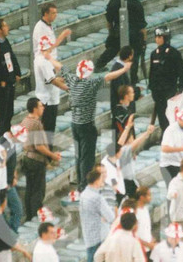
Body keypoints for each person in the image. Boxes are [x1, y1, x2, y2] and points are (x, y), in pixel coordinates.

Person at [54, 59, 130, 189]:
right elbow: (108, 76)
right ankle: (85, 186)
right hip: (87, 125)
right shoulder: (90, 83)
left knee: (79, 156)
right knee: (87, 159)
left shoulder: (72, 80)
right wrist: (123, 70)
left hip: (75, 124)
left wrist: (48, 57)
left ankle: (80, 184)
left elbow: (61, 67)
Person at [96, 0, 147, 84]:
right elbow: (142, 27)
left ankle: (99, 65)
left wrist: (111, 33)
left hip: (117, 31)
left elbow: (109, 21)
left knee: (112, 48)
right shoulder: (137, 5)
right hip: (133, 35)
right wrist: (144, 42)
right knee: (135, 55)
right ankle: (133, 79)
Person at [20, 98, 62, 220]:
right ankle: (35, 217)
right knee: (38, 192)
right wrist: (52, 155)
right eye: (40, 106)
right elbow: (39, 146)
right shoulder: (36, 123)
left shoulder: (25, 120)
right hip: (36, 160)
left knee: (30, 189)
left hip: (27, 157)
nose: (43, 108)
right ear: (35, 108)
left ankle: (29, 216)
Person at [80, 169, 116, 262]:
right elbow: (111, 216)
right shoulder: (97, 198)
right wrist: (105, 218)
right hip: (98, 234)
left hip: (88, 232)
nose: (103, 181)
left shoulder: (84, 194)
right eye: (101, 179)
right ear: (96, 180)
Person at [148, 27, 183, 132]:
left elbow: (182, 72)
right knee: (161, 116)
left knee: (171, 116)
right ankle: (164, 134)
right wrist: (152, 88)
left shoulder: (174, 53)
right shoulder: (154, 54)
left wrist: (182, 88)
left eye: (159, 37)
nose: (157, 39)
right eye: (156, 37)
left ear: (165, 38)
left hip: (170, 90)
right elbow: (152, 73)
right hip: (158, 91)